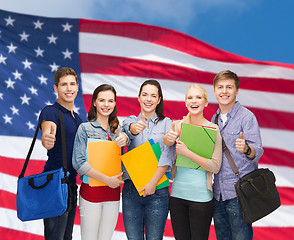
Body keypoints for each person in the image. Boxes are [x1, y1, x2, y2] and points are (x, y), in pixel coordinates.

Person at [163, 84, 222, 240]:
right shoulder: (176, 126)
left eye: (198, 97)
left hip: (201, 198)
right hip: (177, 196)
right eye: (190, 98)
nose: (193, 101)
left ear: (206, 102)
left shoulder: (213, 130)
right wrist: (168, 140)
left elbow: (215, 167)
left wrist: (187, 153)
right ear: (185, 102)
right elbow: (166, 149)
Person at [72, 84, 129, 240]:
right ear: (95, 103)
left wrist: (125, 139)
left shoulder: (119, 130)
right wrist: (107, 180)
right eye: (102, 100)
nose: (106, 104)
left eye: (110, 101)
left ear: (115, 103)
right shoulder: (84, 129)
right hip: (91, 193)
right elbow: (79, 163)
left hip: (113, 194)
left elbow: (128, 160)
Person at [211, 70, 264, 240]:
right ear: (214, 90)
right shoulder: (214, 119)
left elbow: (258, 151)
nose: (224, 91)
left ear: (237, 90)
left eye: (229, 87)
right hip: (218, 194)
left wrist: (247, 149)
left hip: (238, 195)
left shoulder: (247, 117)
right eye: (220, 87)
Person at [122, 79, 175, 240]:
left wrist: (152, 183)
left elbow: (168, 156)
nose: (148, 99)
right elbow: (128, 131)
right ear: (138, 97)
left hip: (158, 191)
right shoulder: (130, 121)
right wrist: (134, 129)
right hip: (132, 191)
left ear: (159, 100)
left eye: (153, 96)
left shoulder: (167, 124)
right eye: (145, 95)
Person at [39, 67, 83, 240]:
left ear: (77, 87)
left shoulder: (79, 119)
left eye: (72, 84)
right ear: (56, 88)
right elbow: (48, 130)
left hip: (71, 185)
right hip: (54, 183)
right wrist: (47, 139)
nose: (69, 88)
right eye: (64, 85)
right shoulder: (50, 111)